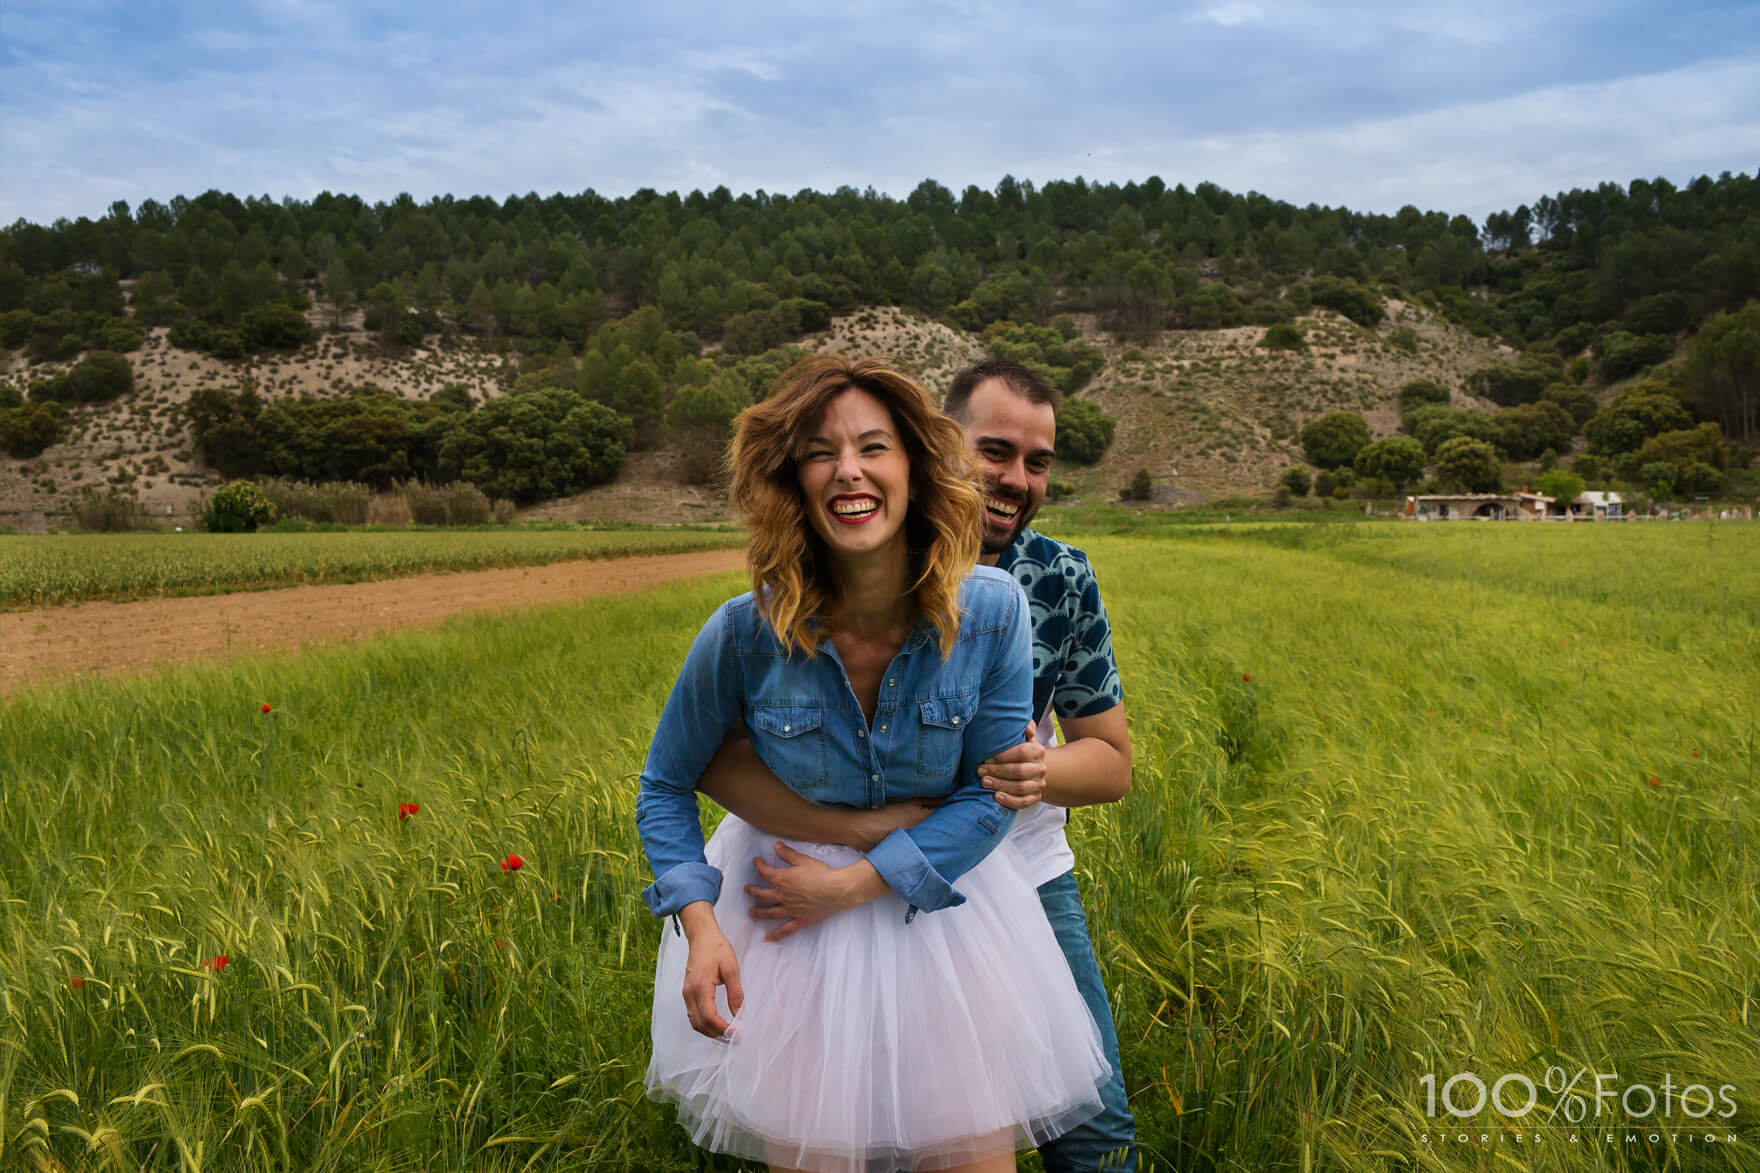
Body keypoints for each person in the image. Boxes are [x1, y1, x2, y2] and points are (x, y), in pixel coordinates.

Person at [636, 355, 1109, 1173]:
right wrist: (700, 922)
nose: (848, 469)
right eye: (820, 451)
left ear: (918, 468)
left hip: (945, 911)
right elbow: (666, 781)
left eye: (873, 446)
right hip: (784, 921)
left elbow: (990, 793)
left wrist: (855, 883)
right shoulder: (743, 632)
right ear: (793, 480)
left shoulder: (993, 611)